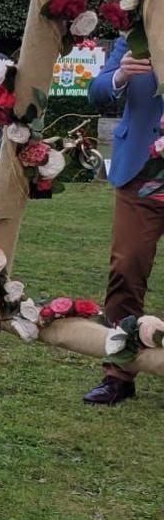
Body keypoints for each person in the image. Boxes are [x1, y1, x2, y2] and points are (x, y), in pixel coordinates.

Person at [86, 36, 160, 405]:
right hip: (139, 176)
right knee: (127, 268)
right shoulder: (134, 38)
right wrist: (120, 76)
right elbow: (98, 90)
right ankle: (119, 375)